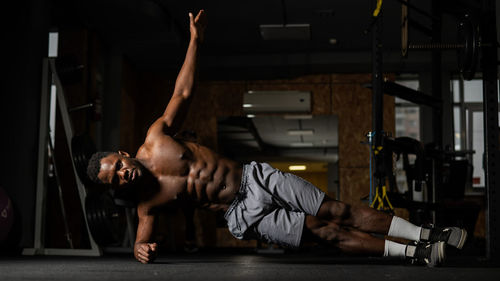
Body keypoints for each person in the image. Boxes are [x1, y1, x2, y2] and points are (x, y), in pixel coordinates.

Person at [86, 10, 467, 267]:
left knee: (337, 211)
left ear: (123, 154)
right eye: (114, 178)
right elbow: (141, 239)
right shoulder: (146, 206)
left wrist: (195, 41)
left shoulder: (156, 138)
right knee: (328, 234)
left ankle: (427, 233)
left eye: (118, 165)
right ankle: (418, 254)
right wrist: (140, 248)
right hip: (241, 214)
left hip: (255, 178)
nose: (122, 174)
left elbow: (182, 94)